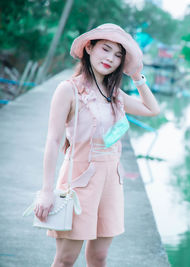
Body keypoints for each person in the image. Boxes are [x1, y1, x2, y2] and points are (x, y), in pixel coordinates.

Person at [33, 23, 160, 266]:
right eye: (106, 49)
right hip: (79, 181)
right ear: (89, 48)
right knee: (66, 259)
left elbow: (152, 109)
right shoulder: (69, 90)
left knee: (99, 257)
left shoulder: (114, 93)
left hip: (111, 182)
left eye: (118, 55)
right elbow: (52, 140)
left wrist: (136, 76)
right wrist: (46, 191)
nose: (110, 58)